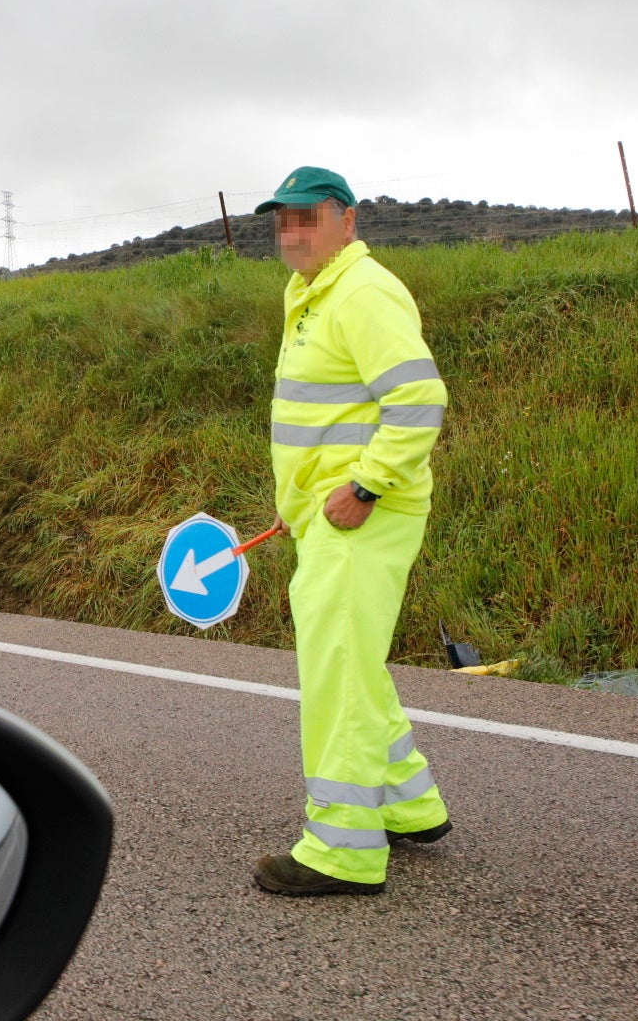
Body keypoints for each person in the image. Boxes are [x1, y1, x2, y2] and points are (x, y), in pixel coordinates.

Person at [250, 166, 451, 897]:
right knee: (352, 658)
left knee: (335, 669)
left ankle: (341, 852)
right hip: (330, 512)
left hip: (365, 512)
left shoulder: (362, 291)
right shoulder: (311, 294)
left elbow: (418, 399)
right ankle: (409, 805)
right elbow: (325, 417)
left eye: (309, 217)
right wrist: (295, 503)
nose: (294, 232)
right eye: (285, 220)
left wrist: (366, 485)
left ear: (347, 220)